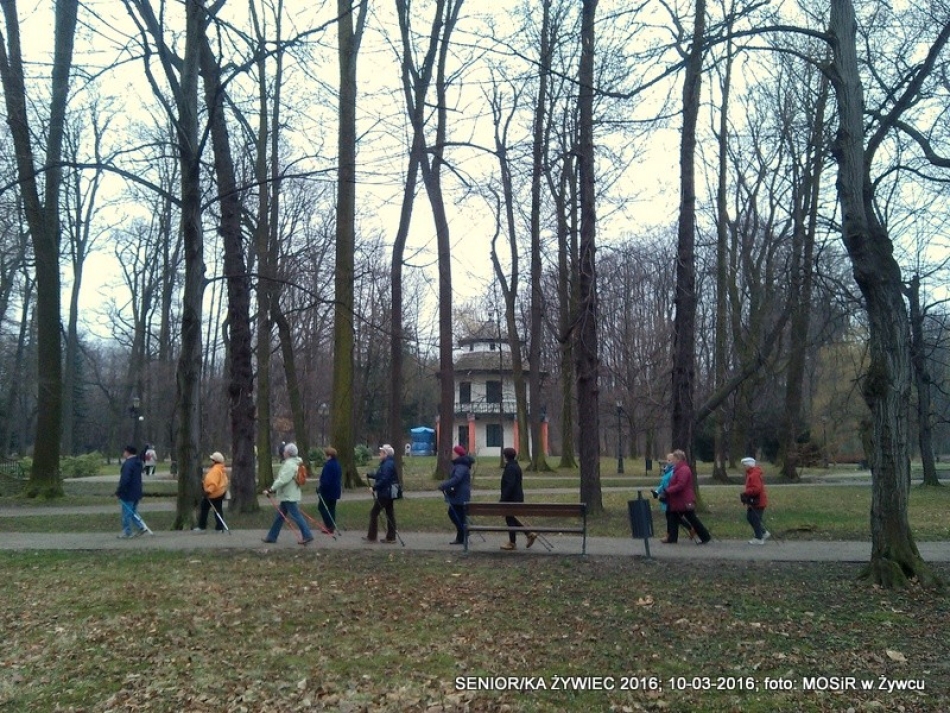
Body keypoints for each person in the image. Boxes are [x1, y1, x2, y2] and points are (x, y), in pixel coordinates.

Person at [262, 442, 314, 544]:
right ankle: (271, 537)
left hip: (288, 495)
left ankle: (307, 535)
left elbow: (282, 480)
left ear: (288, 453)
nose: (283, 452)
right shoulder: (295, 462)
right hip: (289, 494)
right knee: (279, 517)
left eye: (285, 451)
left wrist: (271, 489)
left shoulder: (289, 464)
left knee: (296, 516)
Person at [662, 449, 711, 544]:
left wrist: (668, 490)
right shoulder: (680, 469)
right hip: (679, 499)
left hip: (683, 500)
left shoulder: (683, 470)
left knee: (691, 518)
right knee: (673, 516)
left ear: (678, 459)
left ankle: (705, 536)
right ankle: (672, 537)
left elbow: (681, 484)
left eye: (674, 458)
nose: (673, 460)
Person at [499, 446, 536, 550]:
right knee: (513, 518)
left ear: (506, 456)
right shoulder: (516, 466)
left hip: (511, 498)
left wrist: (503, 499)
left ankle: (512, 542)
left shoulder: (510, 468)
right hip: (518, 496)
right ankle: (528, 533)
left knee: (510, 520)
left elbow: (509, 485)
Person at [653, 452, 695, 544]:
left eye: (670, 460)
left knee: (672, 515)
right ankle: (672, 535)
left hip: (671, 496)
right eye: (667, 460)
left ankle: (672, 534)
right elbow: (663, 483)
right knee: (670, 516)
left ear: (676, 460)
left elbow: (676, 483)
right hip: (667, 494)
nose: (668, 462)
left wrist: (667, 491)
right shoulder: (667, 470)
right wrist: (657, 491)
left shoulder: (675, 470)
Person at [364, 444, 398, 544]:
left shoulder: (387, 464)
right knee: (389, 513)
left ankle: (372, 536)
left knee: (374, 513)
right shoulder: (387, 463)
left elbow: (384, 479)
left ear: (386, 454)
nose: (379, 453)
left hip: (385, 493)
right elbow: (381, 475)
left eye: (381, 452)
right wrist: (371, 475)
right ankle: (391, 537)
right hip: (389, 493)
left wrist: (374, 487)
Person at [439, 445, 472, 545]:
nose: (452, 455)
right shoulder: (460, 465)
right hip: (459, 494)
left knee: (454, 514)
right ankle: (461, 535)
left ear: (458, 455)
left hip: (460, 495)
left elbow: (457, 479)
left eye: (454, 453)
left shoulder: (461, 466)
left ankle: (463, 532)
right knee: (459, 515)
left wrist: (444, 485)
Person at [115, 445, 146, 538]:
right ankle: (141, 526)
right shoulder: (137, 462)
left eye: (124, 451)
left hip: (128, 492)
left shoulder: (128, 464)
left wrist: (119, 491)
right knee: (133, 512)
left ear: (128, 452)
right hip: (136, 491)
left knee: (126, 513)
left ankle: (127, 532)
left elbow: (125, 479)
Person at [194, 451, 229, 532]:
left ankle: (202, 526)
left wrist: (208, 492)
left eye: (212, 460)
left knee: (204, 508)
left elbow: (213, 483)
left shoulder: (215, 471)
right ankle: (219, 527)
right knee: (218, 510)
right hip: (220, 493)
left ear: (215, 461)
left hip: (213, 494)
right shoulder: (221, 469)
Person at [741, 456, 771, 545]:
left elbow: (757, 488)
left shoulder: (754, 475)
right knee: (750, 517)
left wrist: (747, 493)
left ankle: (759, 537)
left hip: (758, 501)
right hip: (754, 500)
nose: (744, 467)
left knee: (755, 519)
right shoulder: (751, 474)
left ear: (749, 465)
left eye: (745, 465)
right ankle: (763, 533)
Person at [316, 446, 342, 534]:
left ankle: (329, 525)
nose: (324, 457)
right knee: (332, 508)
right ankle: (332, 525)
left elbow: (326, 480)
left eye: (325, 455)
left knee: (321, 507)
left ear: (329, 456)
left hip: (327, 491)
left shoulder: (328, 465)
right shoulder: (337, 464)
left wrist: (320, 488)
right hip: (335, 490)